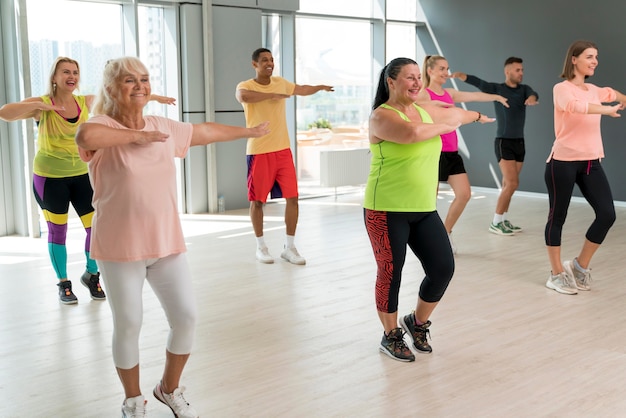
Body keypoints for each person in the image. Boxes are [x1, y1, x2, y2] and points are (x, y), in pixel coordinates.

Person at [75, 57, 269, 417]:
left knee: (186, 318)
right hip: (119, 248)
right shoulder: (101, 125)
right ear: (111, 88)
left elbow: (204, 132)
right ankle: (133, 400)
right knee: (129, 323)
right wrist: (139, 136)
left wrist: (248, 133)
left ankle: (168, 389)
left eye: (145, 79)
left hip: (166, 243)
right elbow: (85, 137)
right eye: (129, 80)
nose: (140, 86)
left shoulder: (162, 125)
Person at [0, 56, 174, 304]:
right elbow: (5, 113)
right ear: (54, 78)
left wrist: (155, 98)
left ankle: (91, 275)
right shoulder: (42, 104)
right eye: (65, 72)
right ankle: (63, 283)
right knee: (57, 231)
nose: (71, 76)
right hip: (50, 179)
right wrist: (43, 107)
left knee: (96, 227)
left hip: (82, 175)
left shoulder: (85, 102)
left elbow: (117, 98)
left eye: (75, 72)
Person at [364, 57, 494, 362]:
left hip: (423, 208)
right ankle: (390, 334)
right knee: (391, 272)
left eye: (417, 78)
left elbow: (456, 114)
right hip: (386, 208)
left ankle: (417, 322)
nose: (416, 83)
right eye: (408, 78)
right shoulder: (381, 117)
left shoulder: (423, 110)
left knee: (442, 268)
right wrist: (448, 122)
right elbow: (411, 134)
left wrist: (473, 116)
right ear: (391, 82)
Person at [235, 47, 334, 265]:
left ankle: (289, 247)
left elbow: (302, 89)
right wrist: (272, 95)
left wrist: (319, 87)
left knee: (293, 198)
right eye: (264, 60)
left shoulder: (280, 81)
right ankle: (261, 247)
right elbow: (243, 96)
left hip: (283, 151)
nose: (269, 63)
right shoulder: (246, 85)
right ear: (255, 64)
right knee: (257, 201)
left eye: (271, 59)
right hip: (259, 151)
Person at [544, 40, 626, 295]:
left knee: (607, 214)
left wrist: (618, 101)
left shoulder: (594, 89)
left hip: (592, 161)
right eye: (589, 56)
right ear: (574, 60)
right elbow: (575, 107)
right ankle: (556, 273)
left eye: (596, 57)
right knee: (558, 217)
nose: (595, 61)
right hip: (563, 162)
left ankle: (580, 266)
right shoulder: (562, 88)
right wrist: (605, 110)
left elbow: (616, 94)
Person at [418, 55, 509, 252]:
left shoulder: (449, 93)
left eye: (447, 68)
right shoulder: (424, 94)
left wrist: (496, 97)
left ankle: (445, 233)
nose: (446, 72)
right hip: (434, 152)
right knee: (428, 201)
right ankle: (426, 240)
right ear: (430, 70)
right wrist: (431, 106)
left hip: (452, 153)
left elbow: (474, 96)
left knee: (464, 194)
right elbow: (409, 106)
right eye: (441, 68)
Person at [451, 57, 539, 236]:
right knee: (513, 183)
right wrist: (462, 76)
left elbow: (533, 94)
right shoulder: (498, 89)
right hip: (503, 142)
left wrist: (531, 99)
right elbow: (480, 83)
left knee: (509, 184)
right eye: (517, 70)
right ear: (507, 72)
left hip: (519, 143)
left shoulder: (524, 90)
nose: (521, 73)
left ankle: (503, 219)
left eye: (522, 70)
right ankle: (495, 222)